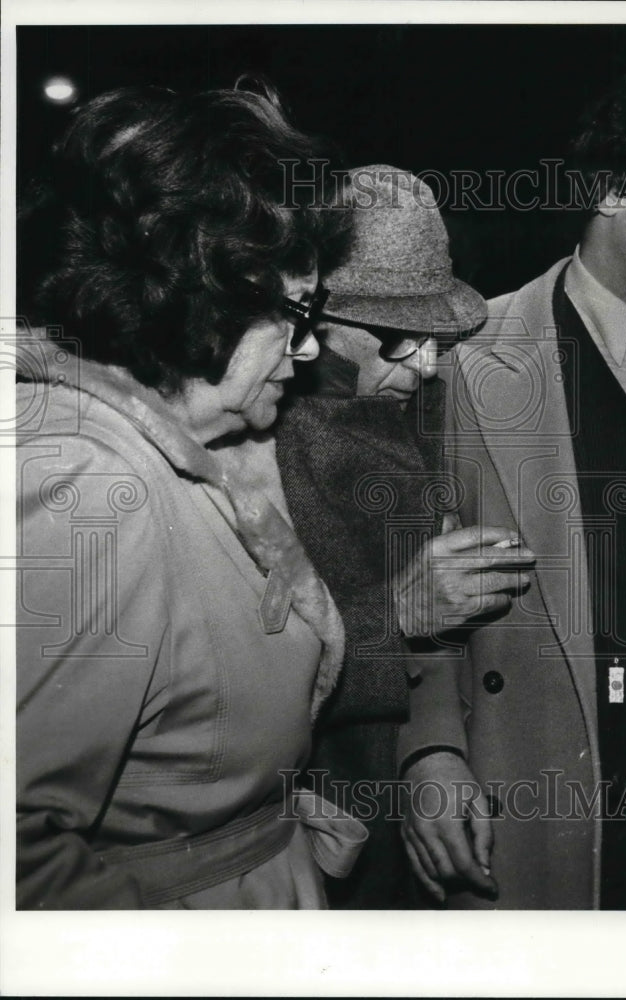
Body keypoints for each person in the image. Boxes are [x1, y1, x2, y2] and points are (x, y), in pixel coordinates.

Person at [400, 66, 626, 910]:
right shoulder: (467, 358)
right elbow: (416, 587)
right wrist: (431, 752)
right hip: (557, 814)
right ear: (608, 189)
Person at [15, 84, 368, 909]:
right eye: (297, 312)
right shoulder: (91, 484)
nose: (310, 346)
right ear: (204, 291)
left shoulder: (179, 452)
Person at [275, 165, 533, 907]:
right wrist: (396, 613)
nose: (424, 363)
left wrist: (435, 748)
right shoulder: (253, 442)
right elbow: (222, 690)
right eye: (394, 337)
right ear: (310, 315)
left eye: (436, 336)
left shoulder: (418, 411)